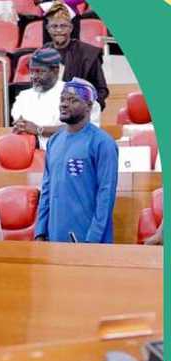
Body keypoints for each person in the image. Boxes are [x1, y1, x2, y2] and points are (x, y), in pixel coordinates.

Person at [35, 79, 118, 243]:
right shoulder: (54, 141)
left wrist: (93, 239)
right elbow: (46, 189)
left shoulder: (103, 143)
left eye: (73, 100)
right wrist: (40, 231)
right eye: (63, 99)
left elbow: (106, 195)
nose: (64, 104)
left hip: (89, 239)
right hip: (54, 237)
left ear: (88, 106)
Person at [11, 47, 100, 149]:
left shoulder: (77, 93)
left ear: (55, 71)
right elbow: (21, 127)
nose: (34, 76)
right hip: (33, 154)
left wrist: (39, 130)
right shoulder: (23, 97)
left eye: (40, 71)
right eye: (31, 71)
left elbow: (84, 129)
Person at [45, 1, 108, 110]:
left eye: (63, 26)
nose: (59, 30)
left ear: (71, 28)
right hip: (48, 110)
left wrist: (85, 107)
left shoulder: (88, 53)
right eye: (54, 26)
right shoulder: (42, 53)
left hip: (79, 112)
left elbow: (101, 90)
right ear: (48, 29)